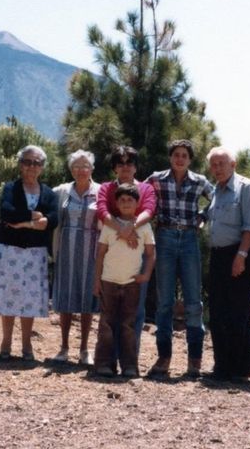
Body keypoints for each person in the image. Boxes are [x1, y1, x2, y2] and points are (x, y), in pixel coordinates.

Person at [0, 145, 59, 360]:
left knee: (30, 298)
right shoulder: (10, 188)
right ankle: (5, 343)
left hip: (35, 253)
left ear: (42, 167)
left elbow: (53, 220)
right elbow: (7, 213)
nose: (31, 167)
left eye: (36, 163)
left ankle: (27, 346)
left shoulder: (49, 194)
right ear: (20, 164)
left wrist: (24, 223)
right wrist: (34, 217)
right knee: (8, 295)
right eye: (27, 162)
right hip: (9, 250)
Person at [146, 139, 214, 377]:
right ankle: (164, 358)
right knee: (164, 302)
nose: (180, 159)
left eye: (185, 155)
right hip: (163, 237)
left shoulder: (199, 181)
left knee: (193, 302)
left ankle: (194, 361)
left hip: (189, 240)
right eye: (176, 154)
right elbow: (140, 195)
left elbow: (216, 199)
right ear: (170, 157)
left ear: (190, 159)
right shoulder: (156, 179)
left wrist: (203, 217)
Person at [204, 147, 250, 382]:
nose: (217, 168)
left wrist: (241, 255)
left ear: (233, 164)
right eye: (213, 165)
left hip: (239, 253)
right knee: (217, 312)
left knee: (238, 312)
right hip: (217, 256)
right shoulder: (215, 191)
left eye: (221, 163)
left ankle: (241, 368)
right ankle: (222, 365)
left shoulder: (246, 187)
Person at [95, 146, 157, 362]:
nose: (125, 167)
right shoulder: (105, 188)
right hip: (112, 254)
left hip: (137, 254)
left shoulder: (146, 189)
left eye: (129, 163)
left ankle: (130, 360)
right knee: (110, 313)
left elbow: (149, 210)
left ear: (136, 166)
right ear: (114, 167)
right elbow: (102, 211)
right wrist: (121, 230)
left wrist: (130, 228)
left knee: (134, 312)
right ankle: (108, 361)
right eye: (120, 163)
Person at [50, 150, 101, 366]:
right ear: (71, 170)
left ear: (91, 169)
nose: (81, 170)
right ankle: (63, 347)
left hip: (92, 251)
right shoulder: (62, 191)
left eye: (85, 166)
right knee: (67, 297)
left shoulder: (100, 191)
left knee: (88, 299)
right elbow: (44, 205)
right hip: (67, 250)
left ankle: (84, 349)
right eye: (77, 166)